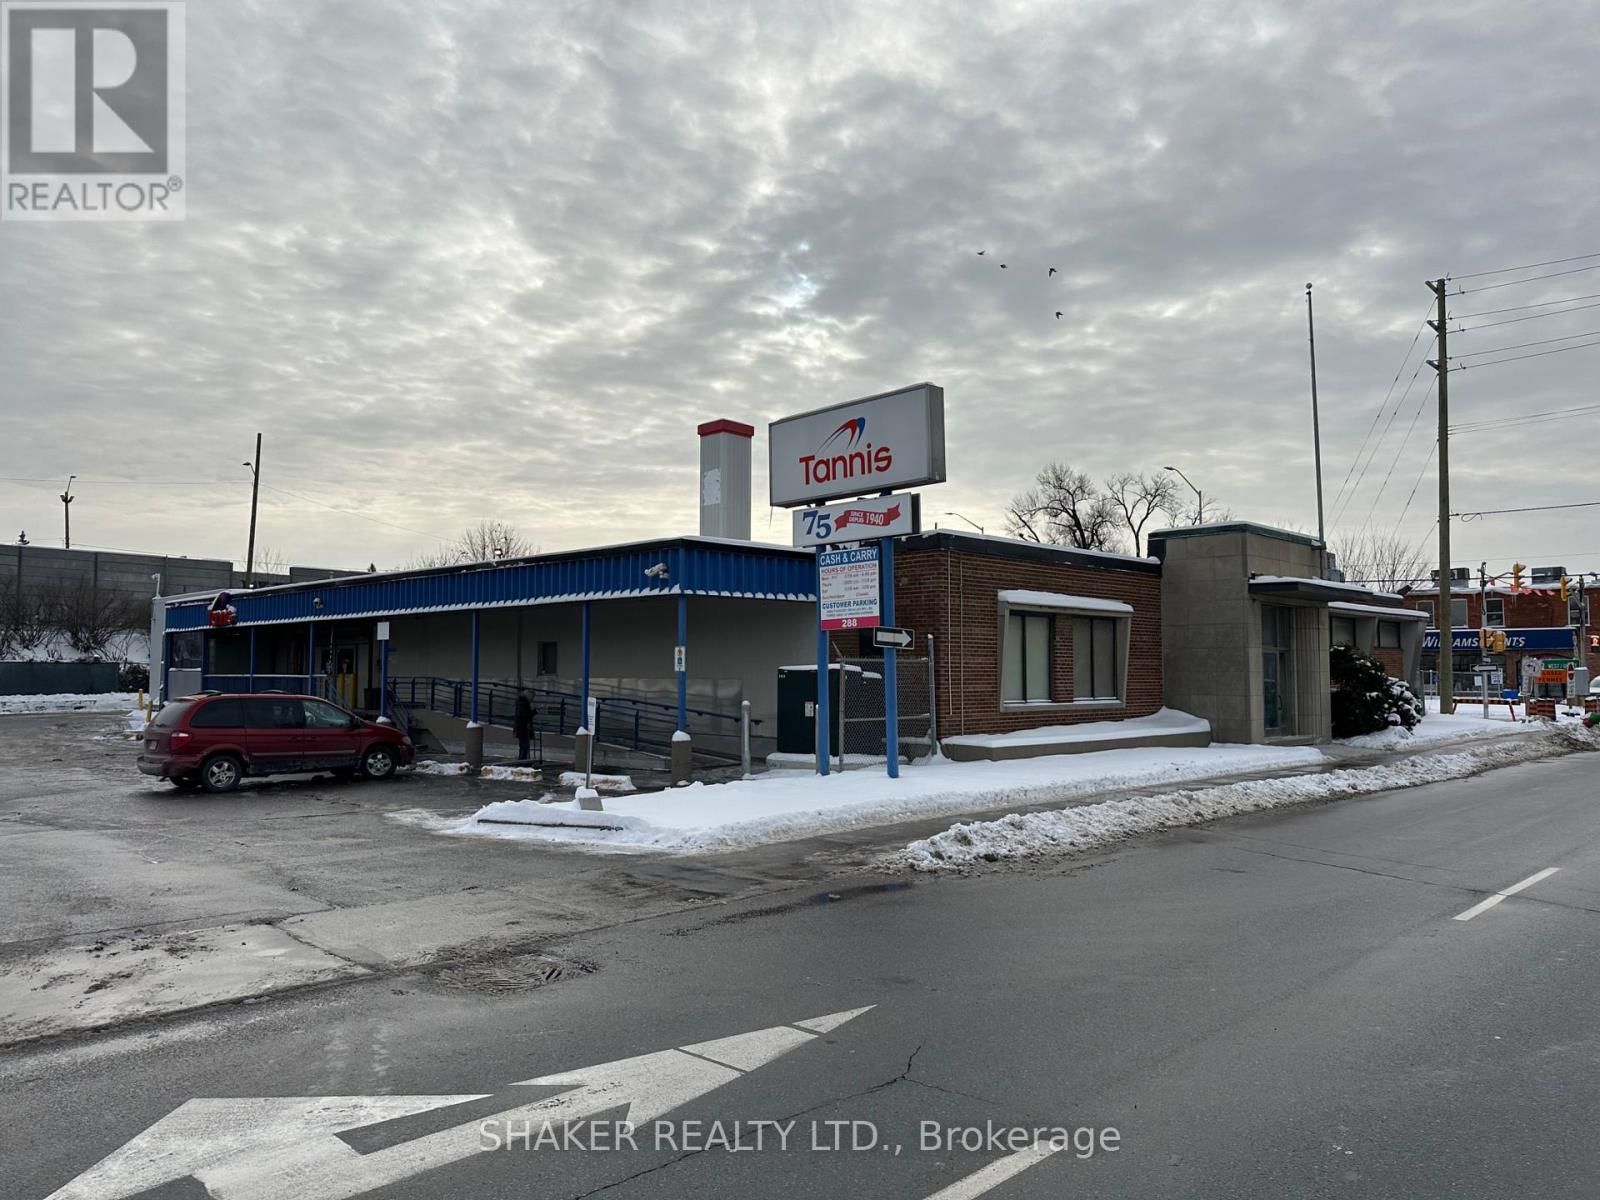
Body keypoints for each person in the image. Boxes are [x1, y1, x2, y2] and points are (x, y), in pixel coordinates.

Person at [513, 689, 534, 763]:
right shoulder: (523, 704)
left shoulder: (521, 702)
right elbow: (524, 715)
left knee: (524, 745)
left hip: (521, 728)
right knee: (524, 745)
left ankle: (523, 761)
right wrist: (532, 713)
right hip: (523, 728)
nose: (533, 699)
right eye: (532, 697)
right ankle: (522, 761)